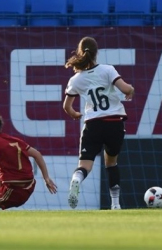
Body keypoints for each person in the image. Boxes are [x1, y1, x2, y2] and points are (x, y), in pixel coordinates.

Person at [63, 36, 134, 210]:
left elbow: (67, 106)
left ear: (80, 53)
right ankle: (115, 204)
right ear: (96, 53)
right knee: (111, 163)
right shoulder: (107, 70)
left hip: (93, 124)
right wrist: (130, 90)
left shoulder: (76, 79)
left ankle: (76, 179)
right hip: (114, 123)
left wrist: (75, 114)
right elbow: (125, 89)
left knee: (84, 165)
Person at [0, 111, 57, 210]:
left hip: (16, 189)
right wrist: (46, 178)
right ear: (0, 126)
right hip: (22, 184)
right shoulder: (13, 140)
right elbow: (37, 154)